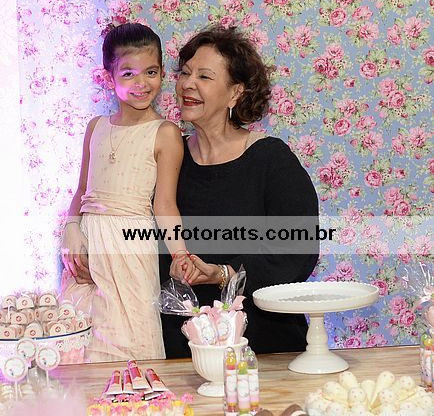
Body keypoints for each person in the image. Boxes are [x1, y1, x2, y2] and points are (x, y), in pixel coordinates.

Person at [160, 25, 319, 357]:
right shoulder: (169, 157)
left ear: (235, 93)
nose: (187, 83)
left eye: (204, 76)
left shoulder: (271, 159)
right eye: (185, 73)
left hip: (265, 347)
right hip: (183, 349)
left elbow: (298, 249)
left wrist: (222, 274)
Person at [60, 22, 195, 362]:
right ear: (110, 78)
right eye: (128, 74)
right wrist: (71, 228)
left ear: (161, 73)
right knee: (81, 342)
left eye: (151, 72)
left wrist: (180, 255)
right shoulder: (96, 127)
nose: (141, 83)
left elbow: (165, 204)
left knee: (133, 339)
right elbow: (81, 190)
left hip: (131, 249)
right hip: (87, 243)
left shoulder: (165, 133)